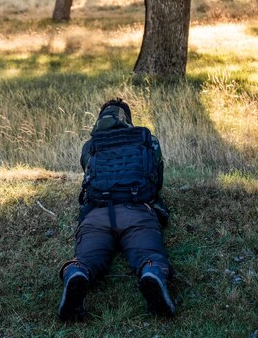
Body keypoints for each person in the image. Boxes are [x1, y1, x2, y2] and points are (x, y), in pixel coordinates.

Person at [58, 98, 175, 321]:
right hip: (137, 211)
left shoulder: (90, 146)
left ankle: (77, 272)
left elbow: (88, 176)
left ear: (100, 119)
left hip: (97, 215)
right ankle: (152, 272)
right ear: (127, 119)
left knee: (87, 258)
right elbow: (156, 182)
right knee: (150, 255)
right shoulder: (146, 139)